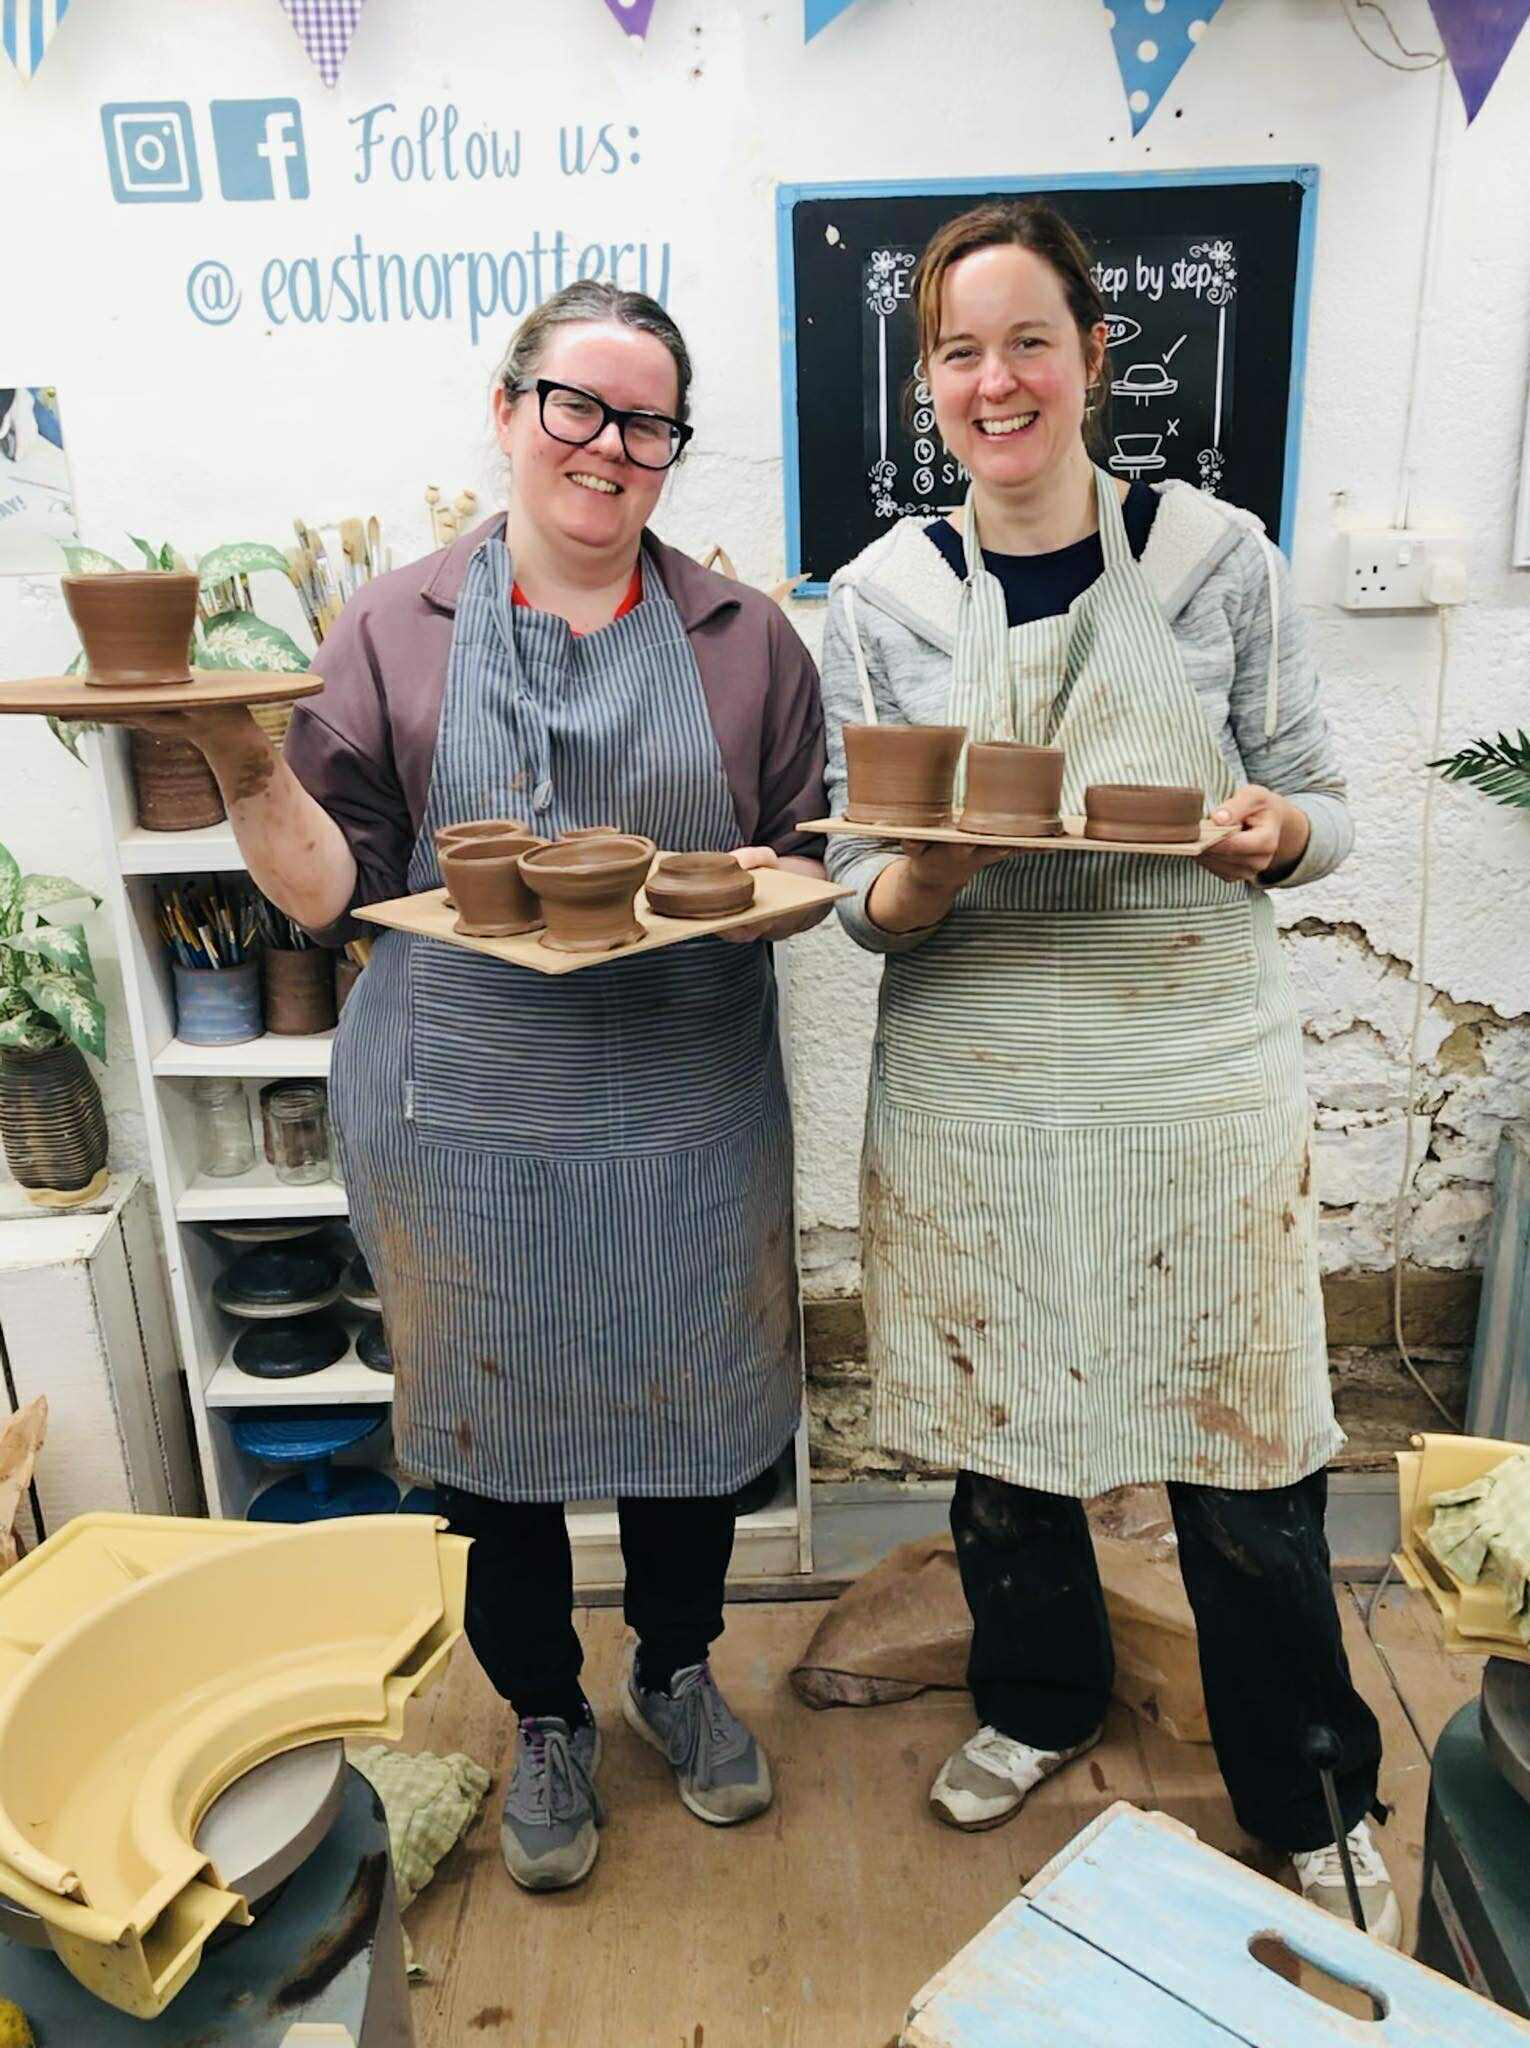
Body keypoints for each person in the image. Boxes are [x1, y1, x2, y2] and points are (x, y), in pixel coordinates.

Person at [129, 281, 829, 1894]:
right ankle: (543, 1715)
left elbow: (807, 850)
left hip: (681, 1104)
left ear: (671, 454)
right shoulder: (387, 626)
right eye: (577, 407)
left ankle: (671, 1672)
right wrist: (245, 765)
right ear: (509, 412)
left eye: (647, 423)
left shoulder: (742, 637)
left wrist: (757, 876)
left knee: (690, 1424)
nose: (609, 447)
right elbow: (323, 895)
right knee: (487, 1436)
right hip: (464, 1109)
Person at [817, 202, 1397, 1942]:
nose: (996, 382)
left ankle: (1307, 1778)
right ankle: (1040, 1701)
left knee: (1247, 1443)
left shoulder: (1217, 556)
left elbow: (1326, 801)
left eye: (1028, 344)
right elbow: (862, 892)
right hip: (982, 1069)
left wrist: (1277, 829)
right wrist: (920, 880)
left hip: (1187, 1062)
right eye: (959, 353)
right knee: (1008, 1431)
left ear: (1092, 358)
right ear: (929, 385)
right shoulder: (883, 595)